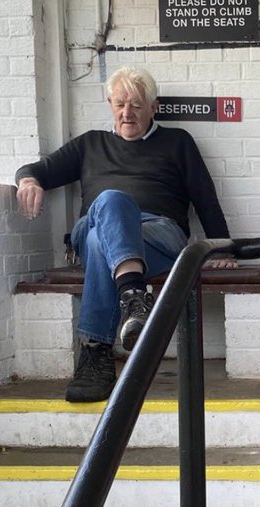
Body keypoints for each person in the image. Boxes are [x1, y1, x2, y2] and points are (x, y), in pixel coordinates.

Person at [15, 65, 234, 402]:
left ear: (153, 106)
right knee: (110, 204)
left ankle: (95, 355)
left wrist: (222, 248)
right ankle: (134, 298)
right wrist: (27, 180)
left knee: (99, 240)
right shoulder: (91, 144)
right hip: (97, 224)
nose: (127, 113)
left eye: (135, 105)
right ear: (109, 104)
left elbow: (206, 198)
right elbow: (38, 170)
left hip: (158, 235)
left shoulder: (178, 143)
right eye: (119, 104)